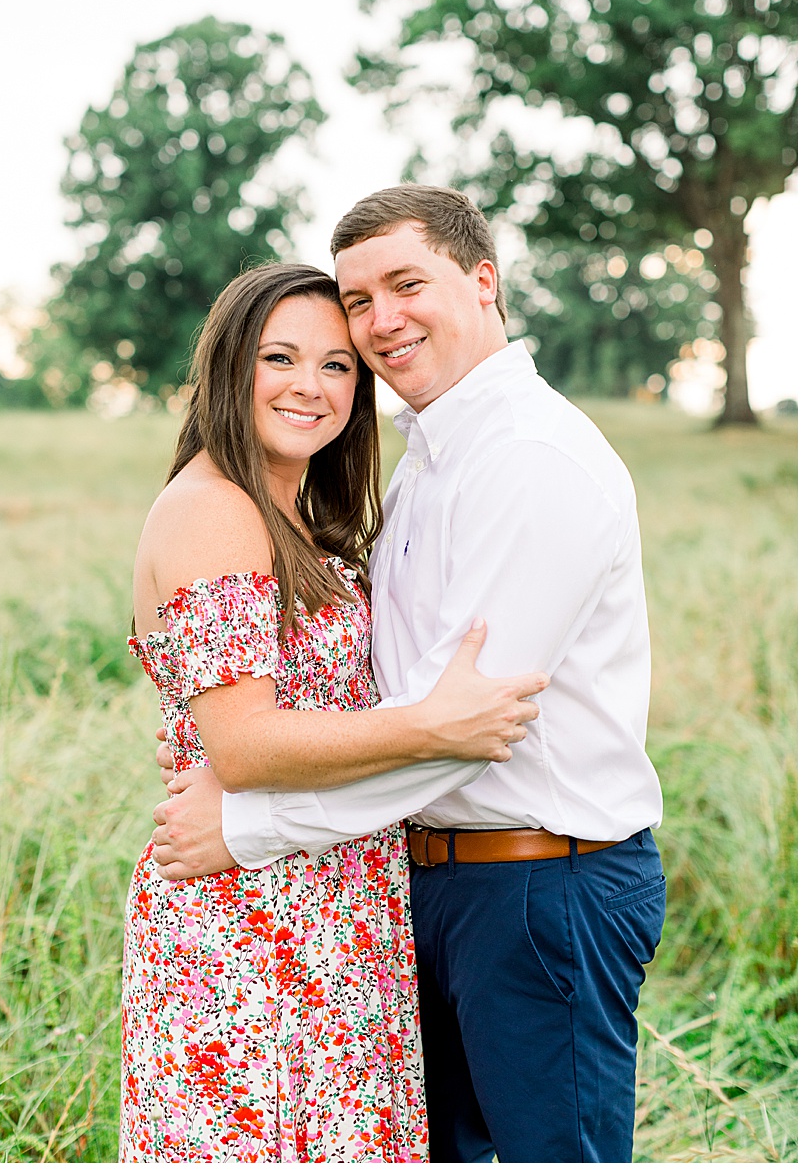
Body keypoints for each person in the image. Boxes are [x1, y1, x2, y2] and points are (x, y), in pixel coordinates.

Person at [152, 186, 666, 1162]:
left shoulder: (533, 457)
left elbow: (465, 728)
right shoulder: (431, 454)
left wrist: (247, 822)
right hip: (423, 887)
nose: (381, 320)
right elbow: (418, 712)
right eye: (357, 299)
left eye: (405, 284)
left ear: (483, 282)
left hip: (541, 883)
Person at [122, 261, 549, 1162]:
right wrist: (434, 726)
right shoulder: (214, 510)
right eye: (279, 357)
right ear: (228, 367)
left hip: (334, 905)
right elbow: (241, 745)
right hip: (254, 920)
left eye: (336, 366)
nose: (309, 387)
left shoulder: (295, 514)